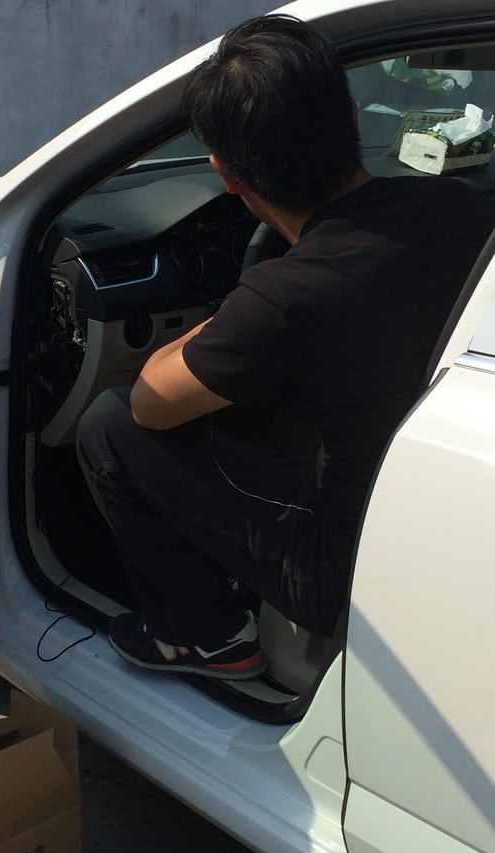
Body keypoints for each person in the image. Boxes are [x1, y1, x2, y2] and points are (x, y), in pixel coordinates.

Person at [76, 15, 495, 680]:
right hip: (440, 510)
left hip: (348, 564)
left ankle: (205, 636)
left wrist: (236, 312)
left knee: (108, 425)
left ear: (225, 174)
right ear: (352, 118)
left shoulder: (280, 299)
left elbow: (151, 405)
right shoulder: (461, 206)